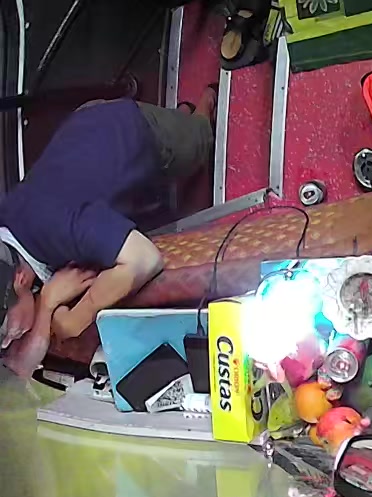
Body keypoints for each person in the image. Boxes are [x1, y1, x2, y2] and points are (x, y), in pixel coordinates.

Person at [0, 89, 215, 378]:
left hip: (128, 131)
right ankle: (179, 116)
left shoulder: (58, 224)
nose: (7, 342)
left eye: (7, 332)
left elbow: (145, 259)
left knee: (197, 144)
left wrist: (77, 317)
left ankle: (203, 105)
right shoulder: (11, 235)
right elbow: (19, 368)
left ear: (20, 279)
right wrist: (47, 303)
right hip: (82, 131)